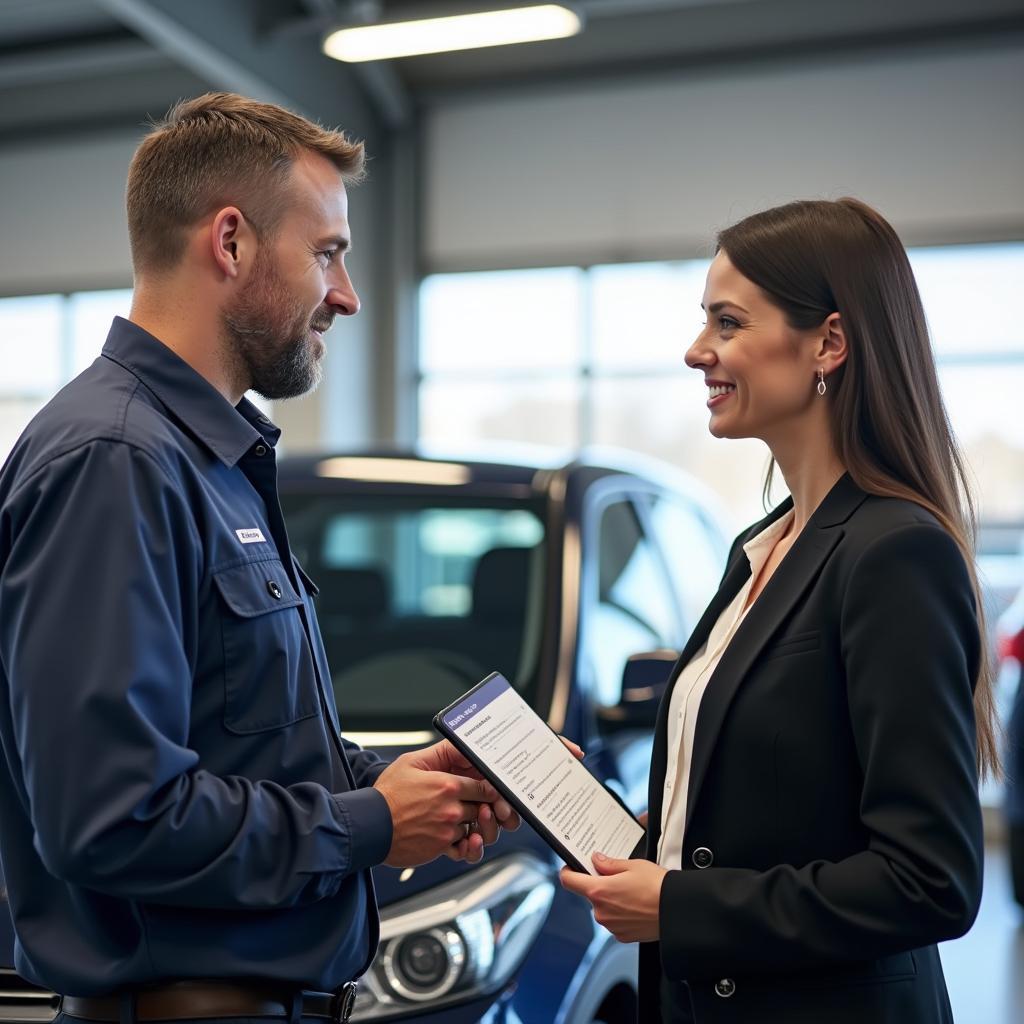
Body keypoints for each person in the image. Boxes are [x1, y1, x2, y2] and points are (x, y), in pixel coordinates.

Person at [0, 93, 521, 1024]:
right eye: (327, 253)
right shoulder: (115, 461)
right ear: (231, 242)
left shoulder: (212, 460)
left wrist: (402, 783)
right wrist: (370, 824)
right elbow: (110, 817)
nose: (348, 294)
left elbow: (239, 741)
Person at [561, 197, 997, 1023]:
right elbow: (785, 801)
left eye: (728, 323)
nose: (697, 352)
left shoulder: (894, 552)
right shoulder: (766, 545)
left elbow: (929, 880)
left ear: (829, 342)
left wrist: (682, 906)